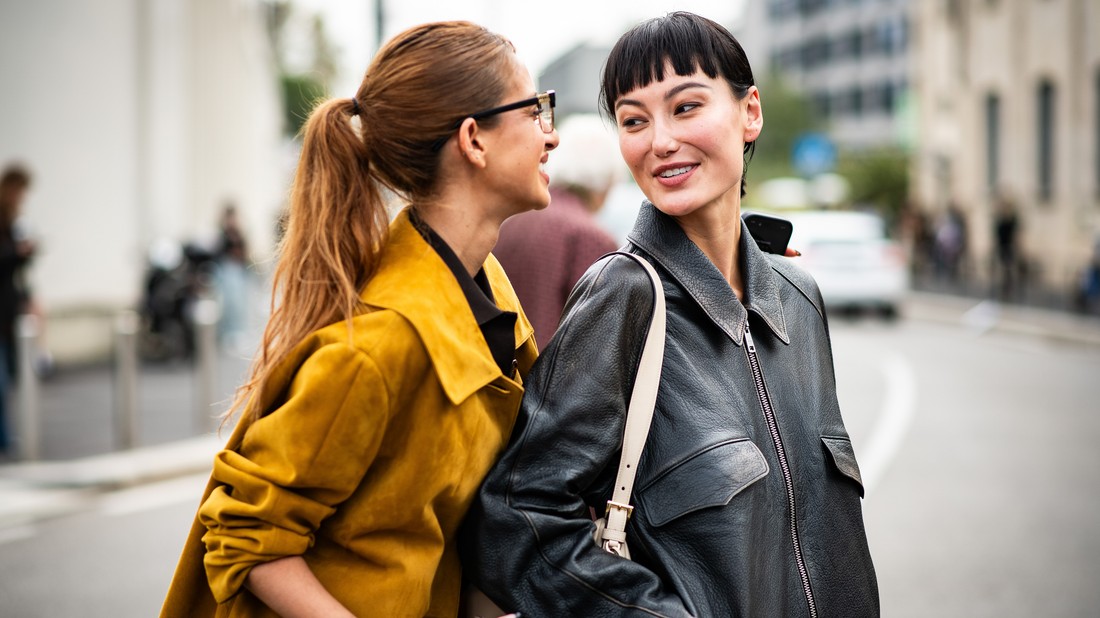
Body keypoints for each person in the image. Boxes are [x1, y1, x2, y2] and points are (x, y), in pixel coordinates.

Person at [462, 12, 879, 617]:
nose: (659, 141)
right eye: (634, 120)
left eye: (685, 107)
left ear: (750, 113)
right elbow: (518, 519)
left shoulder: (799, 297)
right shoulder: (623, 296)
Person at [162, 20, 557, 617]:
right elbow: (244, 533)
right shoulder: (380, 344)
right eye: (534, 110)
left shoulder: (487, 295)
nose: (551, 134)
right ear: (474, 140)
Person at [493, 113, 620, 347]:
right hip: (550, 368)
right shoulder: (590, 238)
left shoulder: (510, 222)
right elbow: (593, 339)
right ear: (609, 179)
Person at [0, 164, 37, 458]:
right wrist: (16, 253)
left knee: (10, 375)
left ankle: (5, 437)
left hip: (9, 310)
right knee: (1, 379)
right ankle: (4, 439)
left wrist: (26, 254)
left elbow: (17, 271)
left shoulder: (14, 220)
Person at [214, 203, 251, 351]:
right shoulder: (223, 234)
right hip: (227, 271)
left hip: (238, 270)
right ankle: (228, 334)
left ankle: (238, 332)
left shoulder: (239, 232)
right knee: (229, 303)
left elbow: (245, 251)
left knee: (239, 302)